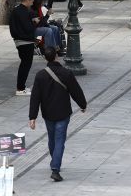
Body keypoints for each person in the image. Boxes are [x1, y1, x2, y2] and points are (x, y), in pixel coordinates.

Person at [28, 48, 87, 182]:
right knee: (60, 139)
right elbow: (75, 91)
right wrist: (82, 105)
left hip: (48, 113)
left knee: (52, 138)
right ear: (56, 57)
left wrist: (32, 117)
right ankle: (55, 168)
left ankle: (54, 161)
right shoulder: (66, 73)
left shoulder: (40, 75)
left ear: (45, 58)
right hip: (63, 112)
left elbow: (35, 97)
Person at [9, 0, 39, 96]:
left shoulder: (15, 11)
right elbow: (28, 28)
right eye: (31, 2)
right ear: (27, 0)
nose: (32, 4)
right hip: (26, 41)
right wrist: (34, 23)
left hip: (18, 41)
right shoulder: (24, 12)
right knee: (26, 65)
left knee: (24, 64)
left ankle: (21, 86)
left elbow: (12, 28)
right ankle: (20, 88)